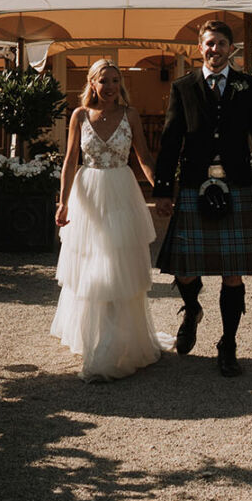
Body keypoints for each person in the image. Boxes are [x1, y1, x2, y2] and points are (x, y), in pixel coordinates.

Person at [153, 19, 252, 377]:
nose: (215, 49)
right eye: (209, 43)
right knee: (184, 267)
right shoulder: (183, 87)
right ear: (200, 47)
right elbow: (169, 141)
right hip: (194, 184)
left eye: (221, 43)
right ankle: (192, 309)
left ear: (231, 49)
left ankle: (228, 343)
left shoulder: (249, 87)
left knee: (233, 273)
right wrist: (163, 189)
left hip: (237, 183)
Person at [50, 59, 170, 381]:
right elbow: (70, 160)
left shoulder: (130, 115)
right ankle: (90, 336)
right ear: (92, 84)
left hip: (121, 193)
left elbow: (143, 157)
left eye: (115, 81)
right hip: (87, 196)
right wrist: (63, 202)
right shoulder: (78, 116)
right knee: (90, 266)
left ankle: (116, 342)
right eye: (104, 81)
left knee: (118, 266)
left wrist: (161, 192)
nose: (111, 87)